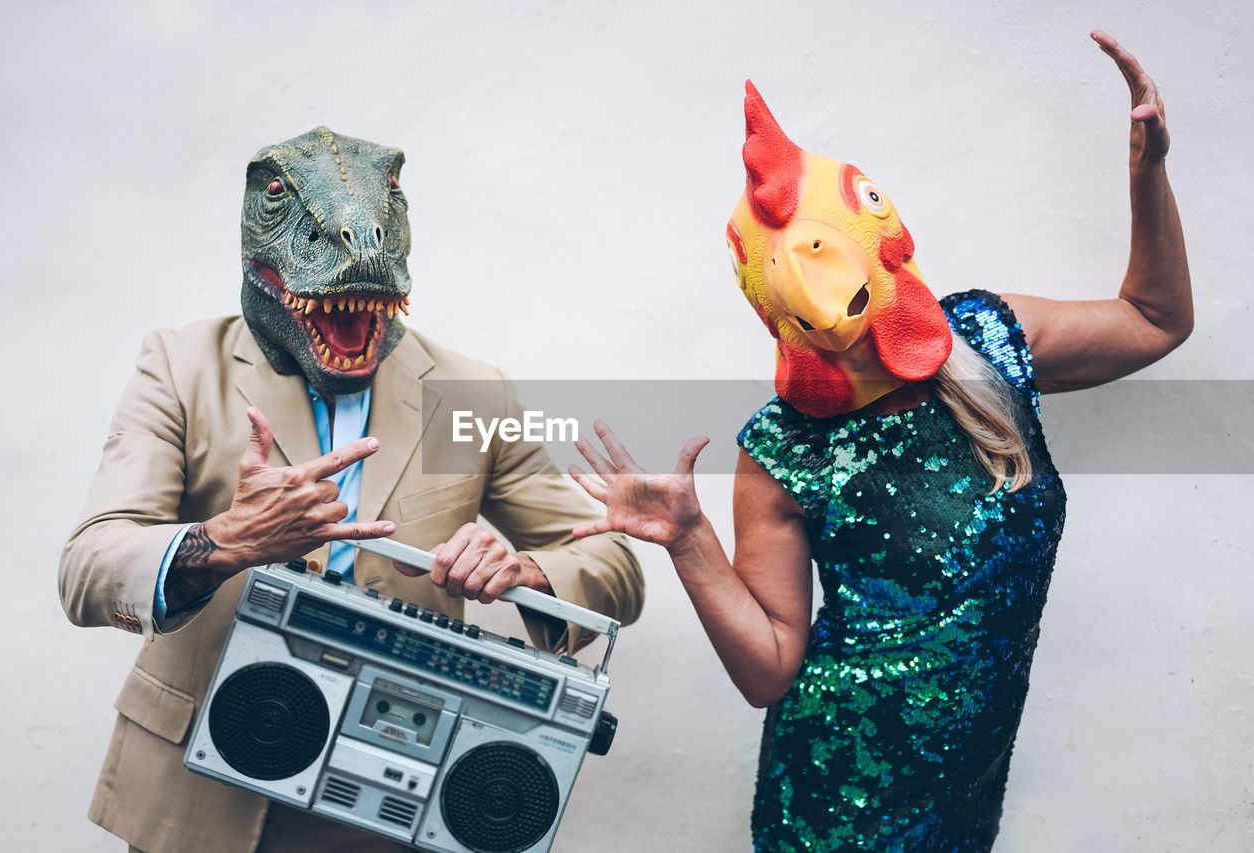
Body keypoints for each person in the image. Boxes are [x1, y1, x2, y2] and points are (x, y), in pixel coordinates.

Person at [569, 32, 1189, 851]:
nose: (854, 344)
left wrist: (1147, 173)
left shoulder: (992, 339)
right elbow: (770, 667)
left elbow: (1154, 319)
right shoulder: (785, 447)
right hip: (837, 805)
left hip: (965, 797)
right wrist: (689, 542)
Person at [58, 126, 643, 853]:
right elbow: (89, 567)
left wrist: (530, 573)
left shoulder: (466, 395)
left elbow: (614, 562)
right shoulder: (180, 366)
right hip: (200, 790)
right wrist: (225, 540)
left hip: (398, 797)